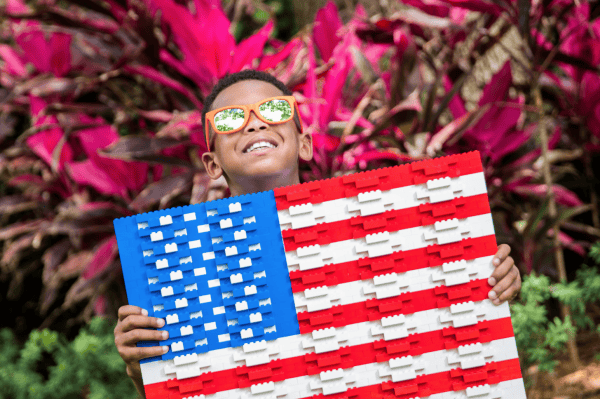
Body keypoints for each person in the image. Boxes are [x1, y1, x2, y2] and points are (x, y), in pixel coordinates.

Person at [114, 70, 522, 397]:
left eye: (273, 110)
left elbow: (447, 341)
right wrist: (142, 368)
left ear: (305, 144)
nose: (254, 123)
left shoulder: (387, 223)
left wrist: (491, 282)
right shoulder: (184, 268)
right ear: (212, 163)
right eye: (230, 119)